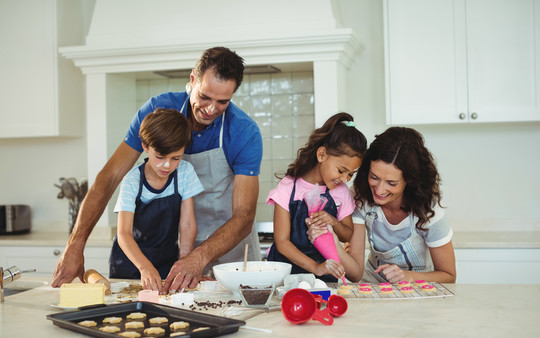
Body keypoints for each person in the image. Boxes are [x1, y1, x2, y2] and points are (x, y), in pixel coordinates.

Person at [51, 47, 263, 293]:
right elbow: (109, 178)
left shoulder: (244, 132)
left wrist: (197, 258)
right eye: (205, 96)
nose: (211, 108)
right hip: (177, 248)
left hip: (230, 253)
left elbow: (244, 216)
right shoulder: (157, 111)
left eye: (222, 102)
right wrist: (75, 245)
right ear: (192, 79)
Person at [346, 126, 456, 284]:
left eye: (391, 183)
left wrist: (409, 276)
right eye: (374, 177)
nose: (380, 189)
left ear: (410, 180)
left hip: (418, 288)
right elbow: (355, 272)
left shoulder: (428, 209)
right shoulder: (360, 196)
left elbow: (449, 276)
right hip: (372, 285)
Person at [266, 112, 367, 282]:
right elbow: (282, 242)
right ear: (322, 155)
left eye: (351, 174)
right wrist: (315, 267)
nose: (344, 179)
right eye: (341, 170)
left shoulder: (340, 192)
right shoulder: (289, 187)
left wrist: (333, 222)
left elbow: (347, 235)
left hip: (325, 278)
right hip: (284, 276)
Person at [110, 108, 203, 291]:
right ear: (145, 146)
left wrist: (183, 263)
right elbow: (124, 233)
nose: (167, 165)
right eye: (160, 157)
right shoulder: (132, 181)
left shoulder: (185, 173)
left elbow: (187, 224)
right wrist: (144, 267)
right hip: (129, 264)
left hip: (166, 261)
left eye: (175, 158)